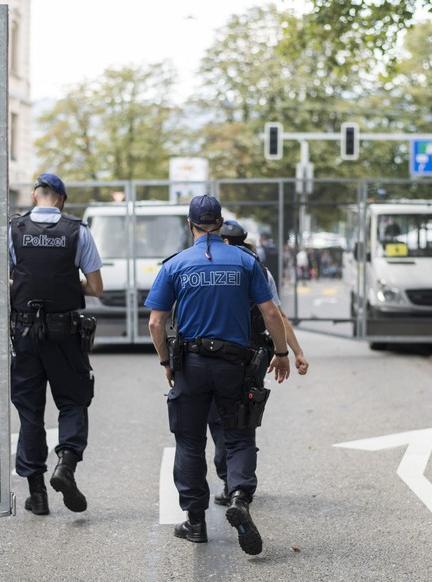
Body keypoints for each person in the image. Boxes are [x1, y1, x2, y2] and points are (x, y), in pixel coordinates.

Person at [145, 195, 290, 556]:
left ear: (190, 225)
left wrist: (166, 361)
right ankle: (239, 495)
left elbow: (156, 321)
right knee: (238, 436)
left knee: (190, 442)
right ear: (221, 222)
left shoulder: (176, 264)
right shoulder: (245, 262)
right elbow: (271, 313)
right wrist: (283, 353)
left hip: (190, 366)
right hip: (235, 366)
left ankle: (196, 522)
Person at [9, 173, 103, 516]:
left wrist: (24, 286)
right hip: (66, 333)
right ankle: (66, 464)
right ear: (61, 199)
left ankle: (37, 495)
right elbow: (96, 288)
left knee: (30, 412)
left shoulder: (14, 230)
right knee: (73, 401)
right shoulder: (78, 231)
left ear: (36, 197)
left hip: (25, 334)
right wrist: (67, 282)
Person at [209, 219, 309, 506]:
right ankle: (238, 486)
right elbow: (276, 315)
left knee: (217, 418)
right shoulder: (258, 268)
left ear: (223, 240)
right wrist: (292, 352)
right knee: (243, 417)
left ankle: (228, 476)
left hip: (212, 354)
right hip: (252, 357)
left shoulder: (210, 265)